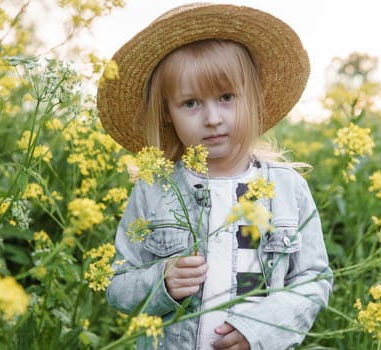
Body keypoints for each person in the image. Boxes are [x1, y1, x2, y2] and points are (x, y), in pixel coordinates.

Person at [97, 3, 333, 349]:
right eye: (191, 103)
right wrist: (162, 282)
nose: (211, 118)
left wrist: (261, 331)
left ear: (252, 99)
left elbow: (313, 280)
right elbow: (117, 285)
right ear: (167, 114)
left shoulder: (286, 188)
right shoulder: (154, 190)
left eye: (226, 98)